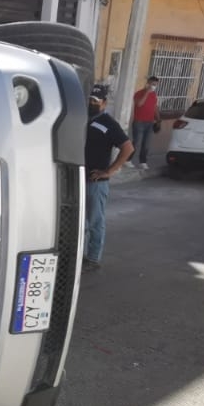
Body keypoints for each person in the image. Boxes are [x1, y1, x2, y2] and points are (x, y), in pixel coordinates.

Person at [84, 84, 135, 272]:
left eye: (96, 101)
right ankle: (78, 257)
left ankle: (93, 258)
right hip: (78, 182)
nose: (91, 103)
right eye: (89, 100)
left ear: (104, 103)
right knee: (81, 224)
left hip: (96, 183)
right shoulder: (81, 119)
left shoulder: (108, 123)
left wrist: (109, 171)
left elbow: (128, 148)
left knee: (95, 222)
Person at [130, 75, 159, 170]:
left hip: (150, 122)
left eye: (155, 85)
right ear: (147, 83)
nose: (153, 86)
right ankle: (127, 160)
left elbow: (154, 107)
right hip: (139, 122)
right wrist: (146, 92)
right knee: (136, 143)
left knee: (146, 144)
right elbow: (139, 104)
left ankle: (143, 162)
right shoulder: (139, 93)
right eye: (152, 84)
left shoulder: (154, 95)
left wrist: (158, 119)